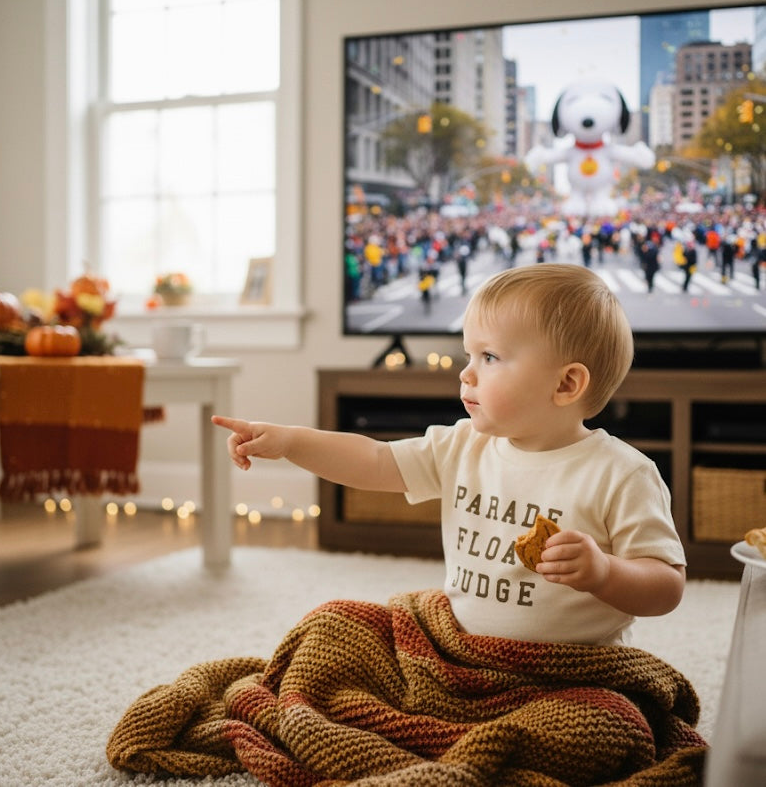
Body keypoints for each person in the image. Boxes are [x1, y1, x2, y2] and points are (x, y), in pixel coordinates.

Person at [212, 264, 686, 647]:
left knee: (604, 731)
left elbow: (666, 585)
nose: (466, 375)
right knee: (334, 631)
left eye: (490, 358)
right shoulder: (463, 445)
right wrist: (293, 442)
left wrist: (604, 572)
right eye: (468, 356)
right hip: (461, 650)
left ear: (566, 384)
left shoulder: (622, 474)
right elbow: (374, 461)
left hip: (569, 672)